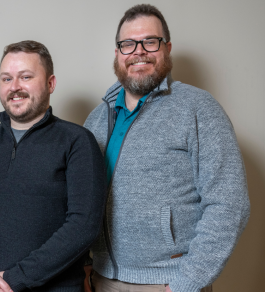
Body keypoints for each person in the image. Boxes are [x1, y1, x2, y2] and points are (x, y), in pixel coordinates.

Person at [83, 4, 250, 292]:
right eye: (128, 44)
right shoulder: (96, 119)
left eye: (150, 41)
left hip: (167, 283)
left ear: (167, 48)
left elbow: (229, 204)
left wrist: (186, 283)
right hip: (102, 279)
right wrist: (85, 265)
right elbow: (82, 202)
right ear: (117, 53)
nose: (138, 51)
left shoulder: (198, 108)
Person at [0, 40, 107, 292]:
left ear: (51, 83)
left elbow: (83, 226)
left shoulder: (77, 141)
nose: (15, 87)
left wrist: (14, 278)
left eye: (25, 77)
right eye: (6, 79)